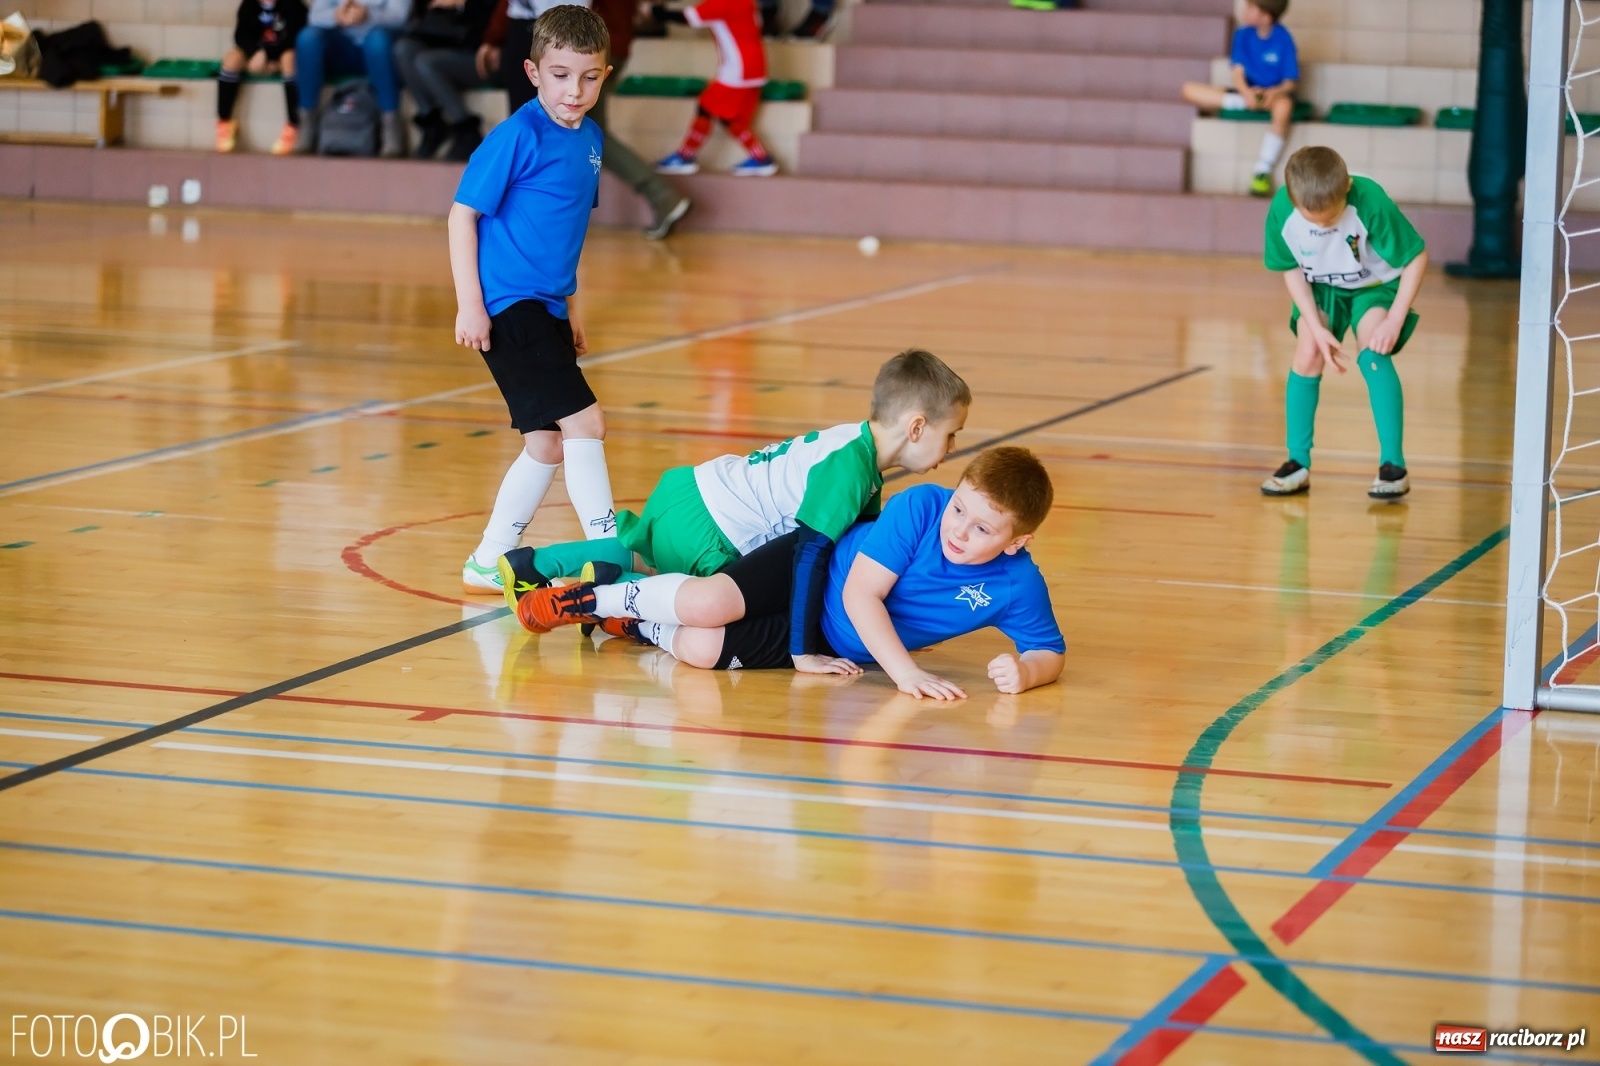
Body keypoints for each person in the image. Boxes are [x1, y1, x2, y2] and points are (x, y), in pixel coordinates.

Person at [505, 350, 973, 663]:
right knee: (701, 599)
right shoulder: (852, 469)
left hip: (689, 494)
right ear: (915, 428)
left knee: (643, 551)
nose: (951, 447)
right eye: (950, 434)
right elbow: (810, 557)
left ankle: (534, 562)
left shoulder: (851, 445)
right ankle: (610, 594)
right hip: (712, 533)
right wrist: (802, 649)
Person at [545, 447, 1067, 701]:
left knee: (702, 652)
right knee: (707, 606)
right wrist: (905, 673)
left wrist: (1027, 673)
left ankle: (636, 624)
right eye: (960, 510)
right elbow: (863, 595)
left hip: (831, 640)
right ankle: (592, 599)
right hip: (809, 575)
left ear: (1017, 541)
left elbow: (1050, 651)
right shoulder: (922, 508)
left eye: (982, 530)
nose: (958, 531)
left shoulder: (1018, 584)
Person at [451, 5, 621, 594]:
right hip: (507, 305)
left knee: (546, 442)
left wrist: (571, 311)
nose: (575, 91)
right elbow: (461, 216)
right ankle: (608, 548)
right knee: (586, 423)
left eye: (589, 77)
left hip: (546, 309)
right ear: (532, 72)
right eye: (560, 75)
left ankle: (487, 559)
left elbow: (564, 234)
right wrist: (470, 304)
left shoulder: (591, 140)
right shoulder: (517, 135)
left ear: (604, 74)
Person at [1259, 146, 1427, 501]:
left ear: (1347, 187)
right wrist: (1315, 327)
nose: (1322, 225)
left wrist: (1394, 319)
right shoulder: (1281, 210)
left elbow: (1415, 257)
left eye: (1330, 218)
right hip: (1321, 289)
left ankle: (1393, 466)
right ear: (1292, 199)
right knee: (1307, 353)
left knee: (1374, 354)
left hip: (1375, 288)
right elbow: (1290, 268)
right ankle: (1297, 463)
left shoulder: (1371, 201)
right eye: (1312, 219)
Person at [485, 0, 691, 238]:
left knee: (587, 134)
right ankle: (660, 195)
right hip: (602, 41)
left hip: (590, 44)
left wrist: (494, 36)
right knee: (583, 133)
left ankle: (661, 194)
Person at [1180, 0, 1297, 197]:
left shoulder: (1284, 39)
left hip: (1271, 97)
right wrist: (1247, 94)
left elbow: (1290, 82)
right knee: (1188, 89)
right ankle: (1240, 104)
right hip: (1244, 94)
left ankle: (1262, 170)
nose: (1245, 10)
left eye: (1251, 8)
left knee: (1284, 107)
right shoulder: (1242, 34)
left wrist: (1273, 93)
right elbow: (1237, 73)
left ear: (1266, 17)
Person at [651, 0, 777, 176]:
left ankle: (685, 156)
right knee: (732, 118)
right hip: (756, 67)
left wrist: (656, 12)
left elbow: (689, 18)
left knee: (705, 107)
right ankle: (761, 158)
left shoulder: (723, 2)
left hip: (738, 68)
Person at [294, 0, 409, 155]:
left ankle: (391, 125)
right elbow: (315, 16)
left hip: (380, 45)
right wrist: (336, 16)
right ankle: (308, 122)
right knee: (307, 38)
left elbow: (400, 17)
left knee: (378, 41)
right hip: (342, 46)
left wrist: (368, 16)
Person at [395, 0, 498, 161]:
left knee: (426, 62)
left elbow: (491, 17)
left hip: (477, 53)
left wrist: (460, 4)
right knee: (404, 50)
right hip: (440, 41)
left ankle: (466, 129)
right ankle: (432, 122)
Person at [215, 0, 307, 154]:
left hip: (282, 54)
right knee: (231, 59)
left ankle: (292, 124)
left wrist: (269, 57)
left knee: (289, 59)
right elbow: (240, 36)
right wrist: (256, 53)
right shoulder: (248, 5)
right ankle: (224, 122)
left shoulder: (294, 6)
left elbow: (295, 37)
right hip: (257, 56)